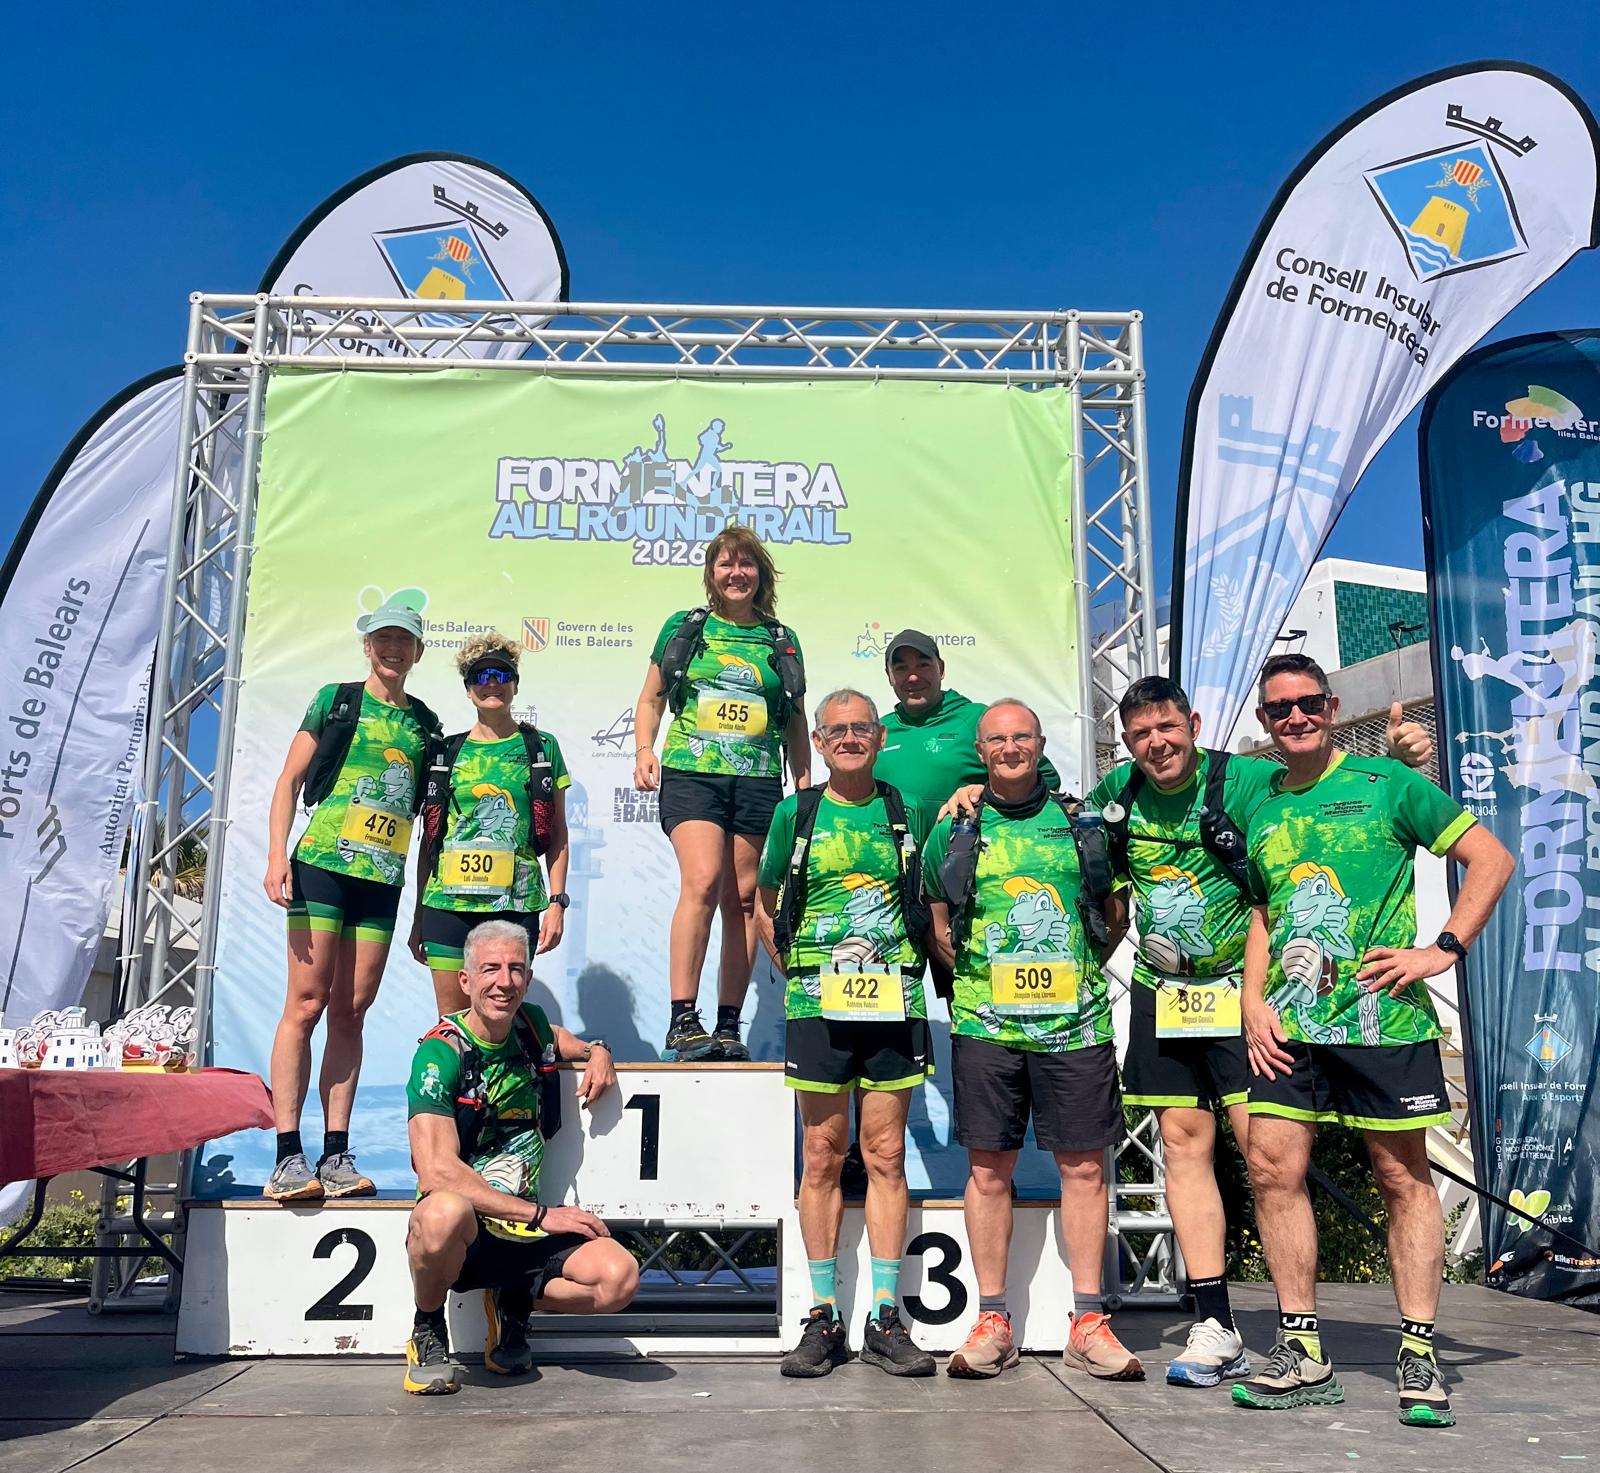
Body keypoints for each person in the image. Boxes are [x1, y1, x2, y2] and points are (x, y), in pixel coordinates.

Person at [1089, 675, 1434, 1388]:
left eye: (1169, 727)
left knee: (1268, 1159)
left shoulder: (1248, 780)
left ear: (1194, 723)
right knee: (1183, 1148)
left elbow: (1324, 792)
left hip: (1246, 998)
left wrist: (1399, 762)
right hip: (1164, 994)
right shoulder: (1117, 794)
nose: (1158, 744)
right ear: (1126, 743)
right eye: (1141, 734)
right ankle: (1216, 1323)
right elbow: (1053, 821)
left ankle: (1294, 1331)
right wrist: (971, 797)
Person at [1235, 653, 1512, 1427]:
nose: (1295, 717)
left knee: (1400, 1175)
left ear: (1330, 706)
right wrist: (1251, 1000)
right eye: (1280, 708)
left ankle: (1418, 1351)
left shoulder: (1389, 783)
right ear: (1264, 720)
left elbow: (1491, 859)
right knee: (1271, 1168)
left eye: (1308, 703)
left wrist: (1441, 949)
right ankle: (1303, 1351)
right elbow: (1263, 911)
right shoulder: (1263, 805)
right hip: (1288, 1027)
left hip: (1380, 1020)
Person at [923, 699, 1140, 1381]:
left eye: (1022, 737)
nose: (1010, 748)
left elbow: (1113, 914)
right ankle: (992, 1319)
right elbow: (937, 922)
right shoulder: (955, 827)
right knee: (989, 1172)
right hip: (986, 1026)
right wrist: (983, 984)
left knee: (1085, 1170)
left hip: (1076, 1026)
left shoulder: (1083, 824)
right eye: (998, 739)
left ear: (1041, 744)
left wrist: (1072, 975)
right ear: (980, 751)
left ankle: (1089, 1321)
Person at [755, 688, 935, 1378]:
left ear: (880, 736)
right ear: (820, 742)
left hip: (893, 999)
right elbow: (764, 898)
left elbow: (934, 895)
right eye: (838, 731)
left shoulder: (907, 810)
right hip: (818, 1004)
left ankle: (886, 1317)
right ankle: (823, 1315)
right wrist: (792, 965)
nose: (851, 739)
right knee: (823, 1153)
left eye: (862, 728)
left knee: (885, 1153)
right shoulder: (795, 813)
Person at [402, 919, 636, 1394]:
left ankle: (514, 1302)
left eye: (515, 969)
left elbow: (564, 1039)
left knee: (619, 1279)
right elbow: (437, 1171)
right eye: (490, 969)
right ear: (466, 981)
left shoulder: (531, 1026)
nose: (503, 981)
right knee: (442, 1212)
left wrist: (598, 1051)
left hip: (526, 1233)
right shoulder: (439, 1054)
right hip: (472, 1233)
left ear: (527, 979)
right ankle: (427, 1326)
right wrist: (543, 1215)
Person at [261, 601, 442, 1201]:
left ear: (418, 652)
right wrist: (276, 856)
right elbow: (289, 781)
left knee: (352, 1011)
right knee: (306, 1004)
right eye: (383, 638)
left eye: (404, 640)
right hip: (322, 868)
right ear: (367, 646)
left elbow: (429, 824)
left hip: (381, 881)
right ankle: (288, 1155)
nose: (393, 648)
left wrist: (422, 905)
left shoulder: (426, 725)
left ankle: (335, 1154)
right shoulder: (336, 700)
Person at [633, 525, 810, 1062]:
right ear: (711, 573)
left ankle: (729, 1024)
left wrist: (804, 787)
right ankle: (682, 1019)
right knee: (704, 881)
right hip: (693, 773)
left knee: (745, 899)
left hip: (757, 778)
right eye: (726, 564)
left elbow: (795, 718)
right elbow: (651, 699)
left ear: (761, 574)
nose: (737, 573)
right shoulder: (685, 627)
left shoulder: (780, 638)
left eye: (747, 564)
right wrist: (644, 749)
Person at [408, 633, 572, 1017]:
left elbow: (559, 833)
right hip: (447, 904)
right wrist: (418, 916)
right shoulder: (445, 751)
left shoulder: (542, 747)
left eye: (502, 674)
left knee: (501, 1017)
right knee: (452, 1020)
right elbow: (431, 841)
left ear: (515, 685)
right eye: (481, 676)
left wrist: (557, 902)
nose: (492, 683)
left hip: (515, 903)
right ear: (468, 690)